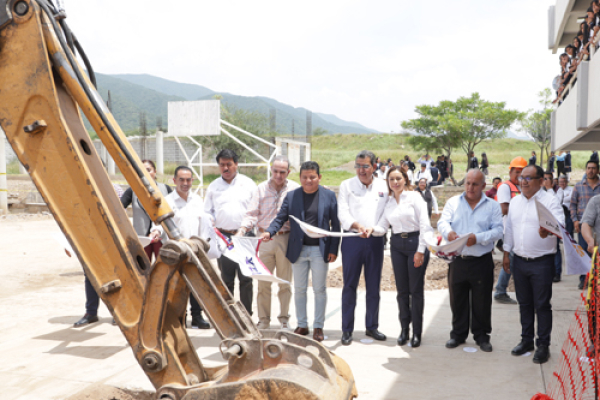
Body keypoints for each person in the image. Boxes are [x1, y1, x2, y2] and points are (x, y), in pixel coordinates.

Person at [261, 161, 340, 342]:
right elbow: (280, 218)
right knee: (299, 289)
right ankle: (302, 325)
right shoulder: (292, 196)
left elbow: (335, 224)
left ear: (319, 177)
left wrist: (334, 249)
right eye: (304, 177)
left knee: (319, 289)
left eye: (312, 176)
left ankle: (318, 326)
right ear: (300, 178)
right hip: (299, 250)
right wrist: (269, 232)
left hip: (320, 250)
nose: (308, 180)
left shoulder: (328, 196)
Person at [504, 165, 564, 364]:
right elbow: (510, 230)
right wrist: (506, 253)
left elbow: (561, 227)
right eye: (522, 177)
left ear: (540, 181)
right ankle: (526, 340)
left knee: (542, 305)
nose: (524, 181)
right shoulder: (514, 202)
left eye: (529, 178)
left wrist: (549, 231)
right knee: (525, 304)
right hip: (519, 261)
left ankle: (543, 345)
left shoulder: (550, 201)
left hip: (542, 263)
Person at [438, 169, 503, 352]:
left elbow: (498, 230)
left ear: (483, 185)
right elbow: (442, 222)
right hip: (458, 260)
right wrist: (448, 232)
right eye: (467, 183)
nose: (470, 187)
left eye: (475, 184)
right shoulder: (453, 203)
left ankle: (482, 336)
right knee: (457, 299)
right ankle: (458, 334)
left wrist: (479, 237)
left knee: (482, 300)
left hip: (481, 261)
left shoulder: (492, 206)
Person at [367, 166, 432, 348]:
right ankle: (405, 330)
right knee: (402, 291)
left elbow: (425, 225)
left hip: (415, 244)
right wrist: (370, 229)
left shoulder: (414, 197)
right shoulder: (388, 203)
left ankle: (417, 333)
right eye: (391, 179)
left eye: (398, 178)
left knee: (416, 291)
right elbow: (382, 227)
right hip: (397, 246)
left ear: (405, 179)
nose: (395, 182)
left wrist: (421, 250)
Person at [150, 166, 216, 329]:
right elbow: (158, 223)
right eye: (182, 180)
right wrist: (156, 231)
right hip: (175, 251)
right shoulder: (167, 202)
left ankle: (197, 317)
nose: (185, 183)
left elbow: (204, 224)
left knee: (196, 283)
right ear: (174, 181)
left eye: (189, 180)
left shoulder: (198, 200)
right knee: (176, 285)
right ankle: (178, 318)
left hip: (195, 249)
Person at [238, 156, 299, 330]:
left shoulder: (294, 189)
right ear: (271, 170)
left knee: (285, 282)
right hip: (264, 239)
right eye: (276, 171)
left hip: (285, 238)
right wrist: (242, 229)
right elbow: (251, 213)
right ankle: (264, 320)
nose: (278, 175)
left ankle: (284, 319)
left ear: (288, 172)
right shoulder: (261, 189)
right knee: (263, 283)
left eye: (282, 172)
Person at [337, 151, 389, 346]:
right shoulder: (346, 185)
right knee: (349, 285)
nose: (361, 170)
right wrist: (358, 226)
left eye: (365, 166)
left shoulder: (384, 186)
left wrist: (374, 229)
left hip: (375, 240)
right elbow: (342, 212)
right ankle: (347, 329)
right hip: (352, 239)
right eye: (358, 166)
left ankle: (372, 326)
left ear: (374, 166)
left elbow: (386, 213)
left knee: (373, 285)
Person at [204, 149, 258, 314]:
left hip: (245, 237)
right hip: (223, 237)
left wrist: (242, 230)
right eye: (222, 165)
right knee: (226, 279)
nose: (225, 168)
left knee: (246, 278)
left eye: (229, 164)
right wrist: (211, 223)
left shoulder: (248, 184)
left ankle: (247, 315)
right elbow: (207, 211)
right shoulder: (213, 187)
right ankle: (228, 316)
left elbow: (255, 211)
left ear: (236, 164)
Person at [74, 183, 124, 327]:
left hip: (110, 237)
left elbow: (119, 214)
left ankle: (118, 313)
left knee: (115, 275)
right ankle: (91, 313)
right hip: (89, 237)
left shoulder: (115, 189)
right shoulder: (79, 189)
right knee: (90, 275)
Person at [120, 160, 172, 262]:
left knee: (163, 269)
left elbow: (174, 210)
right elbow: (119, 208)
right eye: (141, 170)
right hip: (142, 239)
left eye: (148, 170)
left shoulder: (165, 189)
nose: (145, 173)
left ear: (155, 171)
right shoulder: (132, 190)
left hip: (162, 237)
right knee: (142, 270)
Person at [493, 156, 528, 305]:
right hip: (510, 230)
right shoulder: (505, 187)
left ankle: (501, 290)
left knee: (514, 261)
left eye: (522, 172)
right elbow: (504, 209)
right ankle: (500, 291)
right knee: (512, 259)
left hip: (521, 229)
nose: (519, 175)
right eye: (517, 171)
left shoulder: (522, 187)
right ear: (510, 172)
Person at [570, 160, 600, 289]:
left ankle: (594, 279)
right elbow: (572, 205)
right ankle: (584, 279)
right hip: (584, 226)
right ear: (585, 170)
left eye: (593, 168)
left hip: (597, 227)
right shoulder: (578, 186)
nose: (591, 170)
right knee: (584, 253)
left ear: (598, 170)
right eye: (588, 168)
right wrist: (575, 220)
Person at [543, 171, 564, 283]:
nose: (546, 181)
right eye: (544, 178)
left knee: (555, 250)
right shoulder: (539, 192)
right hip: (542, 226)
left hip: (553, 225)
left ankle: (557, 272)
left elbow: (557, 202)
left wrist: (550, 189)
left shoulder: (557, 191)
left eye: (548, 179)